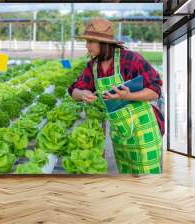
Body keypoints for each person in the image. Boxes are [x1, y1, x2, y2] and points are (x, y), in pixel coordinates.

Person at [68, 18, 164, 174]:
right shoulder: (93, 67)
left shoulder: (130, 59)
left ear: (103, 42)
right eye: (86, 41)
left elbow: (155, 89)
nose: (87, 46)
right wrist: (82, 93)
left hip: (143, 130)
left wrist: (129, 95)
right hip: (120, 133)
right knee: (125, 176)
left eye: (91, 41)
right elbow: (73, 90)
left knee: (146, 180)